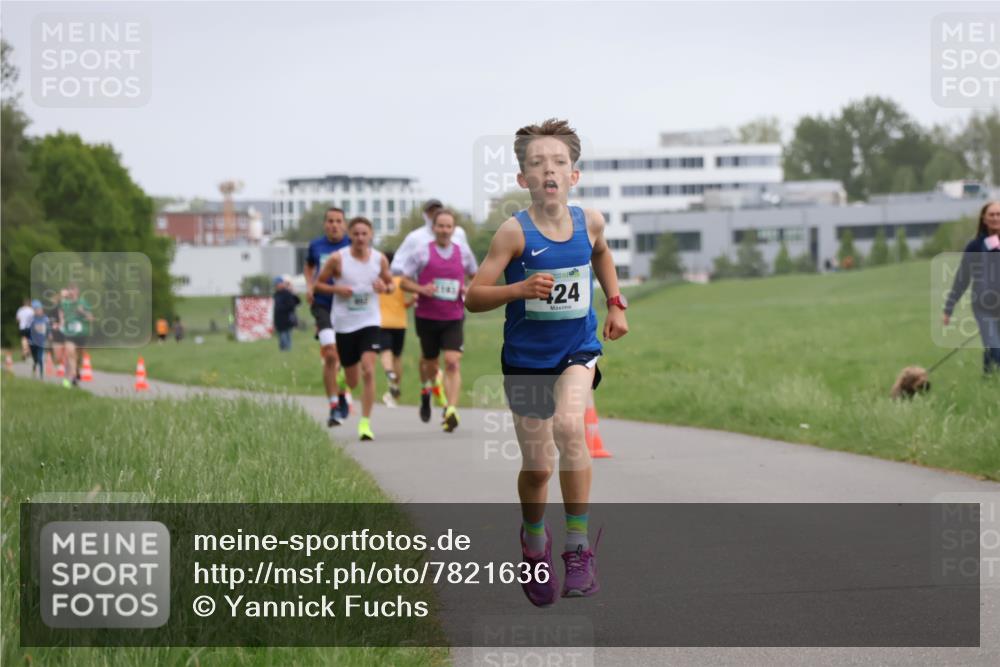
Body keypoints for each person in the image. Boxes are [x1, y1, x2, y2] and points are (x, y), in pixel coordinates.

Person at [466, 119, 629, 606]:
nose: (549, 170)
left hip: (577, 348)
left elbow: (602, 254)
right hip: (525, 359)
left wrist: (616, 303)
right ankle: (534, 544)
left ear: (573, 175)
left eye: (559, 162)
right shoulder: (513, 233)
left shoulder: (590, 221)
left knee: (570, 427)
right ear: (524, 179)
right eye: (537, 164)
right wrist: (518, 289)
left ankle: (578, 548)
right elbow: (474, 297)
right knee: (538, 468)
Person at [398, 208, 478, 431]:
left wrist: (468, 288)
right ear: (433, 228)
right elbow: (403, 281)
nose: (444, 230)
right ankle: (429, 389)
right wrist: (421, 289)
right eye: (440, 226)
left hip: (453, 316)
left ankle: (451, 409)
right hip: (427, 316)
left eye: (448, 226)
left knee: (452, 361)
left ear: (453, 229)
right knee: (431, 363)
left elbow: (477, 275)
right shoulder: (421, 252)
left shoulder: (463, 252)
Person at [315, 217, 395, 441]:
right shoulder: (337, 259)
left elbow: (391, 286)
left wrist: (384, 287)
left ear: (371, 235)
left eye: (364, 234)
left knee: (369, 369)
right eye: (356, 234)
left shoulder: (379, 259)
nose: (360, 238)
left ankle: (365, 423)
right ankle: (342, 381)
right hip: (344, 323)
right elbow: (318, 284)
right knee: (353, 381)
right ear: (349, 235)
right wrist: (337, 290)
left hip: (370, 321)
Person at [305, 207, 353, 426]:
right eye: (330, 221)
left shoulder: (352, 245)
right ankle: (333, 405)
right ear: (325, 224)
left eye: (338, 221)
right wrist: (309, 286)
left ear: (344, 224)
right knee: (331, 354)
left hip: (347, 307)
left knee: (345, 358)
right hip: (322, 304)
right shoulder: (316, 246)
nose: (334, 225)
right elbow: (309, 266)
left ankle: (343, 392)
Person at [943, 200, 1000, 374]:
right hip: (983, 306)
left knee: (993, 347)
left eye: (999, 214)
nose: (995, 218)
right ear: (984, 218)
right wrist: (949, 308)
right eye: (991, 214)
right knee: (995, 347)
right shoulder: (974, 246)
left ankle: (988, 379)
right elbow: (962, 278)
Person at [378, 251, 414, 407]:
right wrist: (410, 302)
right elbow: (407, 302)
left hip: (382, 322)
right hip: (400, 322)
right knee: (397, 356)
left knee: (385, 351)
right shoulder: (401, 281)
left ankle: (388, 372)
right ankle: (395, 385)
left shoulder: (378, 282)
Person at [60, 284, 93, 388]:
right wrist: (62, 322)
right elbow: (61, 314)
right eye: (69, 290)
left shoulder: (83, 302)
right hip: (69, 333)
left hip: (82, 334)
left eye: (73, 290)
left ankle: (77, 370)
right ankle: (74, 377)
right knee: (70, 353)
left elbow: (90, 318)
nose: (71, 292)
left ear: (77, 291)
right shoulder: (65, 303)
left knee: (80, 357)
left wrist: (82, 312)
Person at [272, 276, 300, 352]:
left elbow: (293, 305)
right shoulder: (276, 294)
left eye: (278, 284)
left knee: (286, 336)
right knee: (281, 338)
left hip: (287, 319)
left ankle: (287, 351)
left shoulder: (287, 293)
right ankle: (283, 351)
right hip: (278, 320)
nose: (277, 286)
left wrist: (281, 308)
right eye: (275, 284)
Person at [28, 300, 50, 379]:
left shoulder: (45, 318)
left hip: (41, 341)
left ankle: (41, 375)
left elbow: (48, 328)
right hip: (32, 342)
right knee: (35, 359)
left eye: (39, 309)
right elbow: (29, 330)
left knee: (40, 359)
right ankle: (34, 370)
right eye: (36, 310)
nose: (38, 311)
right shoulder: (32, 319)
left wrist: (49, 334)